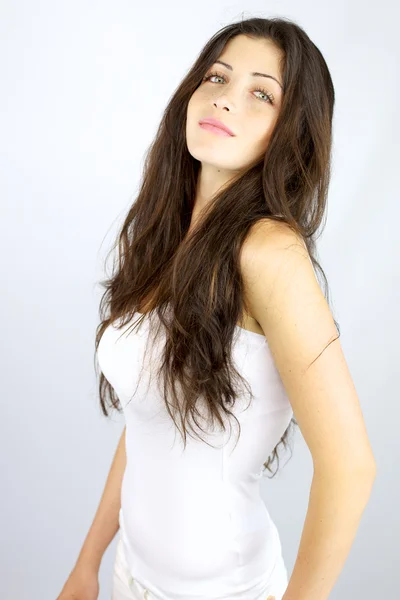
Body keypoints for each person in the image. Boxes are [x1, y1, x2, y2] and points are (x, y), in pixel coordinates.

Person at [57, 15, 376, 600]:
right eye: (217, 76)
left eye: (261, 93)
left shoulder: (269, 252)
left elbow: (351, 467)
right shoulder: (165, 237)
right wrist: (88, 564)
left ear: (292, 132)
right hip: (132, 574)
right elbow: (146, 423)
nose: (226, 99)